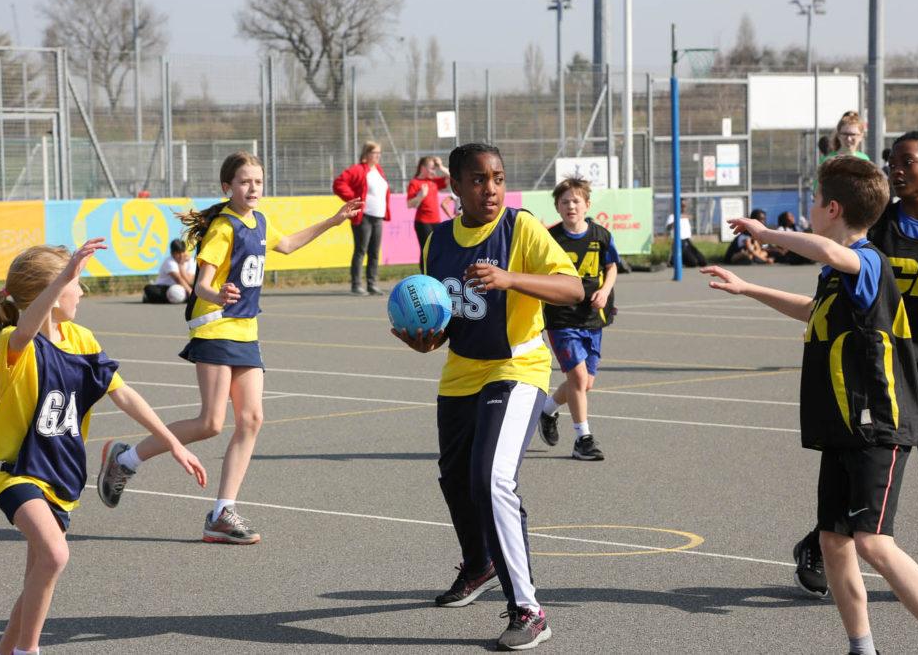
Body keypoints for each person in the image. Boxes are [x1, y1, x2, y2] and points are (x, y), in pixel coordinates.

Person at [702, 156, 918, 655]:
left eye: (815, 202)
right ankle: (862, 647)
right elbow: (811, 309)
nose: (811, 209)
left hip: (877, 424)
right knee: (834, 543)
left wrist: (767, 233)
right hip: (842, 424)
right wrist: (748, 287)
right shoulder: (838, 273)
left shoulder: (868, 260)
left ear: (833, 208)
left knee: (874, 543)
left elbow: (828, 250)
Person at [0, 239, 206, 655]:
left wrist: (173, 442)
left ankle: (3, 651)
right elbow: (32, 326)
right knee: (54, 554)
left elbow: (123, 394)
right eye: (76, 284)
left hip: (59, 471)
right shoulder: (16, 341)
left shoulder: (82, 339)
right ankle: (27, 651)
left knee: (40, 573)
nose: (82, 292)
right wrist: (62, 277)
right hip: (14, 469)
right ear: (52, 290)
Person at [97, 151, 361, 544]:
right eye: (244, 182)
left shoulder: (259, 221)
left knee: (252, 419)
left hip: (246, 331)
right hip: (216, 326)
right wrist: (217, 293)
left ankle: (222, 513)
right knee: (210, 423)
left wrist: (334, 221)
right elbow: (202, 284)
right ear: (228, 187)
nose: (252, 188)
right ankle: (126, 460)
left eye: (257, 181)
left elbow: (287, 245)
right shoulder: (224, 228)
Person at [393, 143, 582, 651]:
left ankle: (529, 608)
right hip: (462, 372)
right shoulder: (436, 241)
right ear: (454, 185)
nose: (491, 188)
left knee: (492, 479)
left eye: (498, 177)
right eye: (478, 179)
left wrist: (511, 277)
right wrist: (425, 337)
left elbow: (573, 289)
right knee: (455, 478)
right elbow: (445, 316)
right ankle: (479, 565)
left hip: (517, 366)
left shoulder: (519, 228)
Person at [792, 132, 918, 608]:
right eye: (891, 162)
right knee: (872, 473)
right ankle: (819, 543)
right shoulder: (877, 228)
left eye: (906, 161)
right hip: (881, 371)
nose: (895, 169)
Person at [536, 177, 617, 461]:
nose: (571, 206)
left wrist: (605, 291)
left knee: (584, 384)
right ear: (557, 207)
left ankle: (546, 410)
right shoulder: (550, 238)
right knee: (579, 378)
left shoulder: (600, 235)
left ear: (587, 205)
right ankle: (583, 438)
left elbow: (611, 266)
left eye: (576, 201)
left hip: (592, 317)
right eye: (564, 202)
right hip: (562, 317)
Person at [333, 140, 390, 295]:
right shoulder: (358, 169)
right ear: (367, 154)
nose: (378, 156)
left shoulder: (378, 170)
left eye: (379, 153)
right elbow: (339, 183)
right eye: (375, 153)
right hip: (363, 216)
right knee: (361, 250)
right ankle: (356, 284)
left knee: (374, 252)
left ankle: (372, 283)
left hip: (378, 216)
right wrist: (353, 199)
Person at [407, 155, 452, 253]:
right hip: (423, 222)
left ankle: (436, 269)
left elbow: (452, 176)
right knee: (427, 251)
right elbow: (409, 204)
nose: (434, 171)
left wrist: (441, 166)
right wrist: (421, 196)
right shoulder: (414, 182)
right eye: (432, 168)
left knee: (438, 250)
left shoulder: (433, 181)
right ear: (423, 168)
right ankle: (425, 269)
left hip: (436, 221)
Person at [143, 239, 196, 304]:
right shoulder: (169, 261)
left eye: (183, 252)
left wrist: (181, 266)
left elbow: (189, 281)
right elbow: (178, 279)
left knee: (197, 287)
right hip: (165, 287)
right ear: (172, 253)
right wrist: (190, 292)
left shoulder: (191, 261)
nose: (181, 255)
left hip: (184, 287)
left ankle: (184, 298)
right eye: (178, 253)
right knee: (149, 289)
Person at [665, 199, 707, 267]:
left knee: (703, 261)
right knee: (693, 263)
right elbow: (668, 228)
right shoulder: (672, 216)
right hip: (679, 242)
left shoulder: (685, 216)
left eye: (685, 206)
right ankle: (675, 260)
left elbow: (690, 218)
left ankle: (678, 259)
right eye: (682, 206)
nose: (684, 207)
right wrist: (675, 221)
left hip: (687, 241)